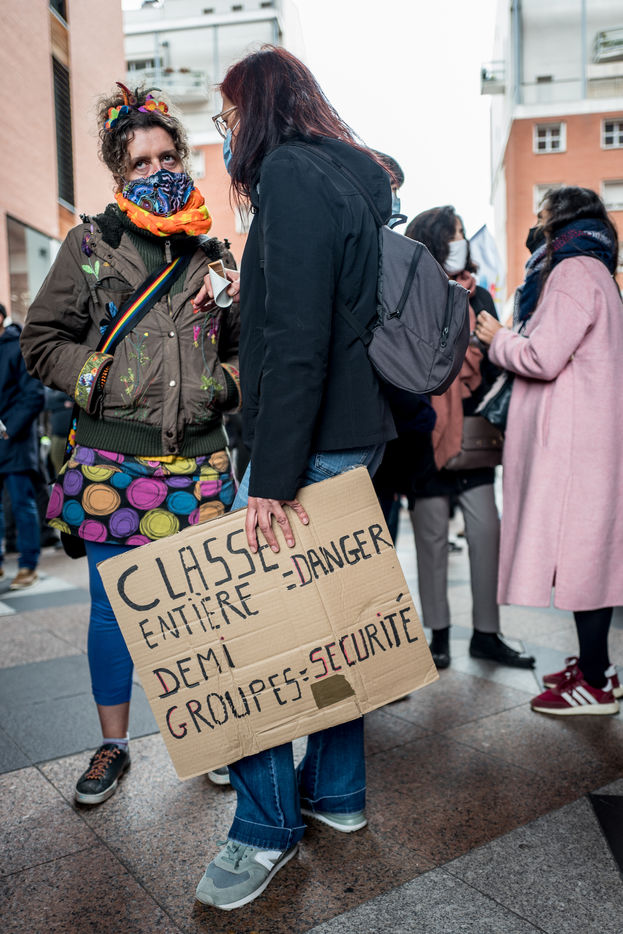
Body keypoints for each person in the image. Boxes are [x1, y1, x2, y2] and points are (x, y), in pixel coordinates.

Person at [191, 45, 396, 911]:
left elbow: (300, 340)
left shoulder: (291, 177)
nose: (227, 130)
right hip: (350, 432)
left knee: (253, 643)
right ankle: (336, 792)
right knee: (333, 629)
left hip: (308, 450)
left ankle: (264, 828)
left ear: (259, 108)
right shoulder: (347, 175)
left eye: (229, 113)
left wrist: (271, 478)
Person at [21, 83, 241, 803]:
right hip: (113, 460)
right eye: (141, 163)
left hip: (200, 459)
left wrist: (224, 383)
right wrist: (99, 378)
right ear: (120, 172)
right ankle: (112, 746)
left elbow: (242, 349)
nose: (157, 171)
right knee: (113, 610)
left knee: (204, 607)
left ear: (183, 158)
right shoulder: (90, 245)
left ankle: (212, 734)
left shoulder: (211, 253)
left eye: (167, 157)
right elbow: (40, 340)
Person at [475, 185, 623, 716]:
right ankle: (597, 669)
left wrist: (496, 336)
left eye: (541, 216)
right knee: (590, 557)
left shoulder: (573, 271)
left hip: (574, 445)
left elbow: (543, 356)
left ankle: (596, 685)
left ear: (561, 220)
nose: (535, 228)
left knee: (585, 562)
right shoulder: (595, 269)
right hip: (588, 439)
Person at [405, 207, 535, 670]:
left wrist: (485, 345)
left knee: (485, 535)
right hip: (426, 437)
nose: (462, 242)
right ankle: (438, 637)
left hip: (475, 435)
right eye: (456, 234)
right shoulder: (411, 293)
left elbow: (499, 362)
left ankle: (487, 634)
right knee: (431, 541)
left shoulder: (479, 296)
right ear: (436, 241)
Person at [0, 303, 45, 589]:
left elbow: (34, 395)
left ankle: (28, 566)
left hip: (14, 441)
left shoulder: (17, 346)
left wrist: (8, 429)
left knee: (22, 505)